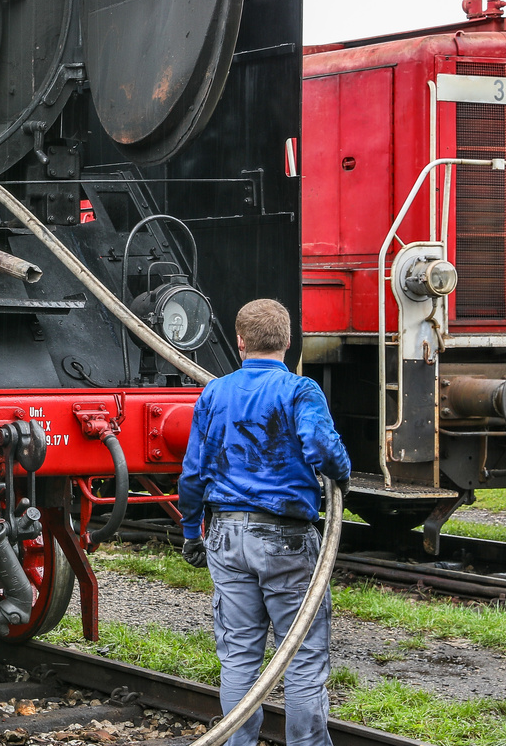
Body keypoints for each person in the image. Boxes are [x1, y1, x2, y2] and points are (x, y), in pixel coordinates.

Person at [177, 298, 352, 746]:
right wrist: (342, 476)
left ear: (239, 341)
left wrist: (190, 530)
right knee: (302, 659)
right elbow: (320, 447)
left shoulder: (215, 392)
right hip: (287, 541)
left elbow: (193, 473)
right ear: (288, 340)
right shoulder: (301, 390)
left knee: (238, 658)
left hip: (227, 537)